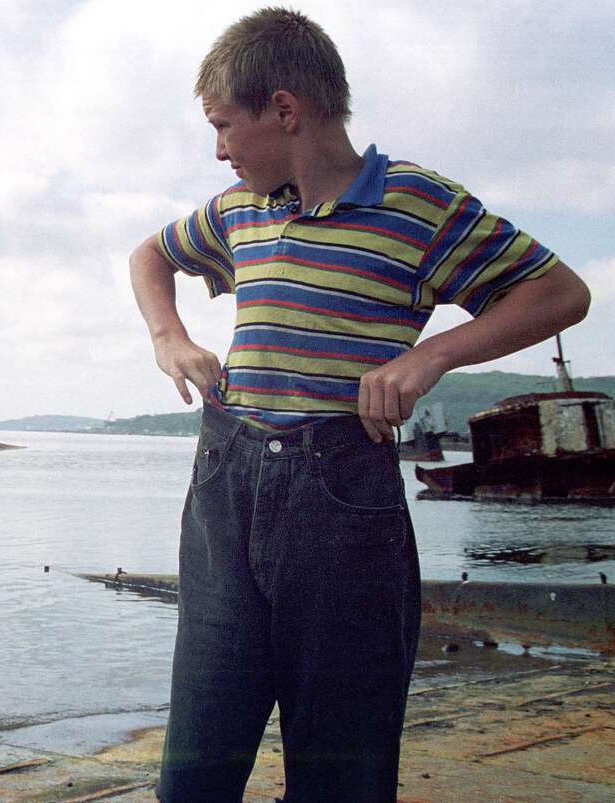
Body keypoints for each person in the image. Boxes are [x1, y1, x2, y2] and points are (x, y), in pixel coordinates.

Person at [128, 7, 590, 801]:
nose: (218, 149)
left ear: (284, 109)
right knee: (193, 775)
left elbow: (561, 292)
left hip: (342, 508)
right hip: (224, 496)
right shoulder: (240, 208)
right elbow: (150, 255)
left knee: (342, 776)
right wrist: (168, 336)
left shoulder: (418, 204)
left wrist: (432, 354)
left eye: (222, 125)